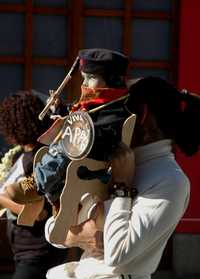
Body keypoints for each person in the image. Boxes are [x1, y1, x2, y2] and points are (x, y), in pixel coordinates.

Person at [47, 76, 200, 279]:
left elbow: (117, 253)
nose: (108, 120)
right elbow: (52, 231)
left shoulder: (171, 180)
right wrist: (82, 235)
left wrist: (121, 187)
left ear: (142, 116)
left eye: (117, 110)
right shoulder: (109, 160)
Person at [0, 91, 67, 279]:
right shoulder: (23, 154)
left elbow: (37, 213)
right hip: (26, 251)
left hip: (37, 251)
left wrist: (2, 199)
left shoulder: (40, 159)